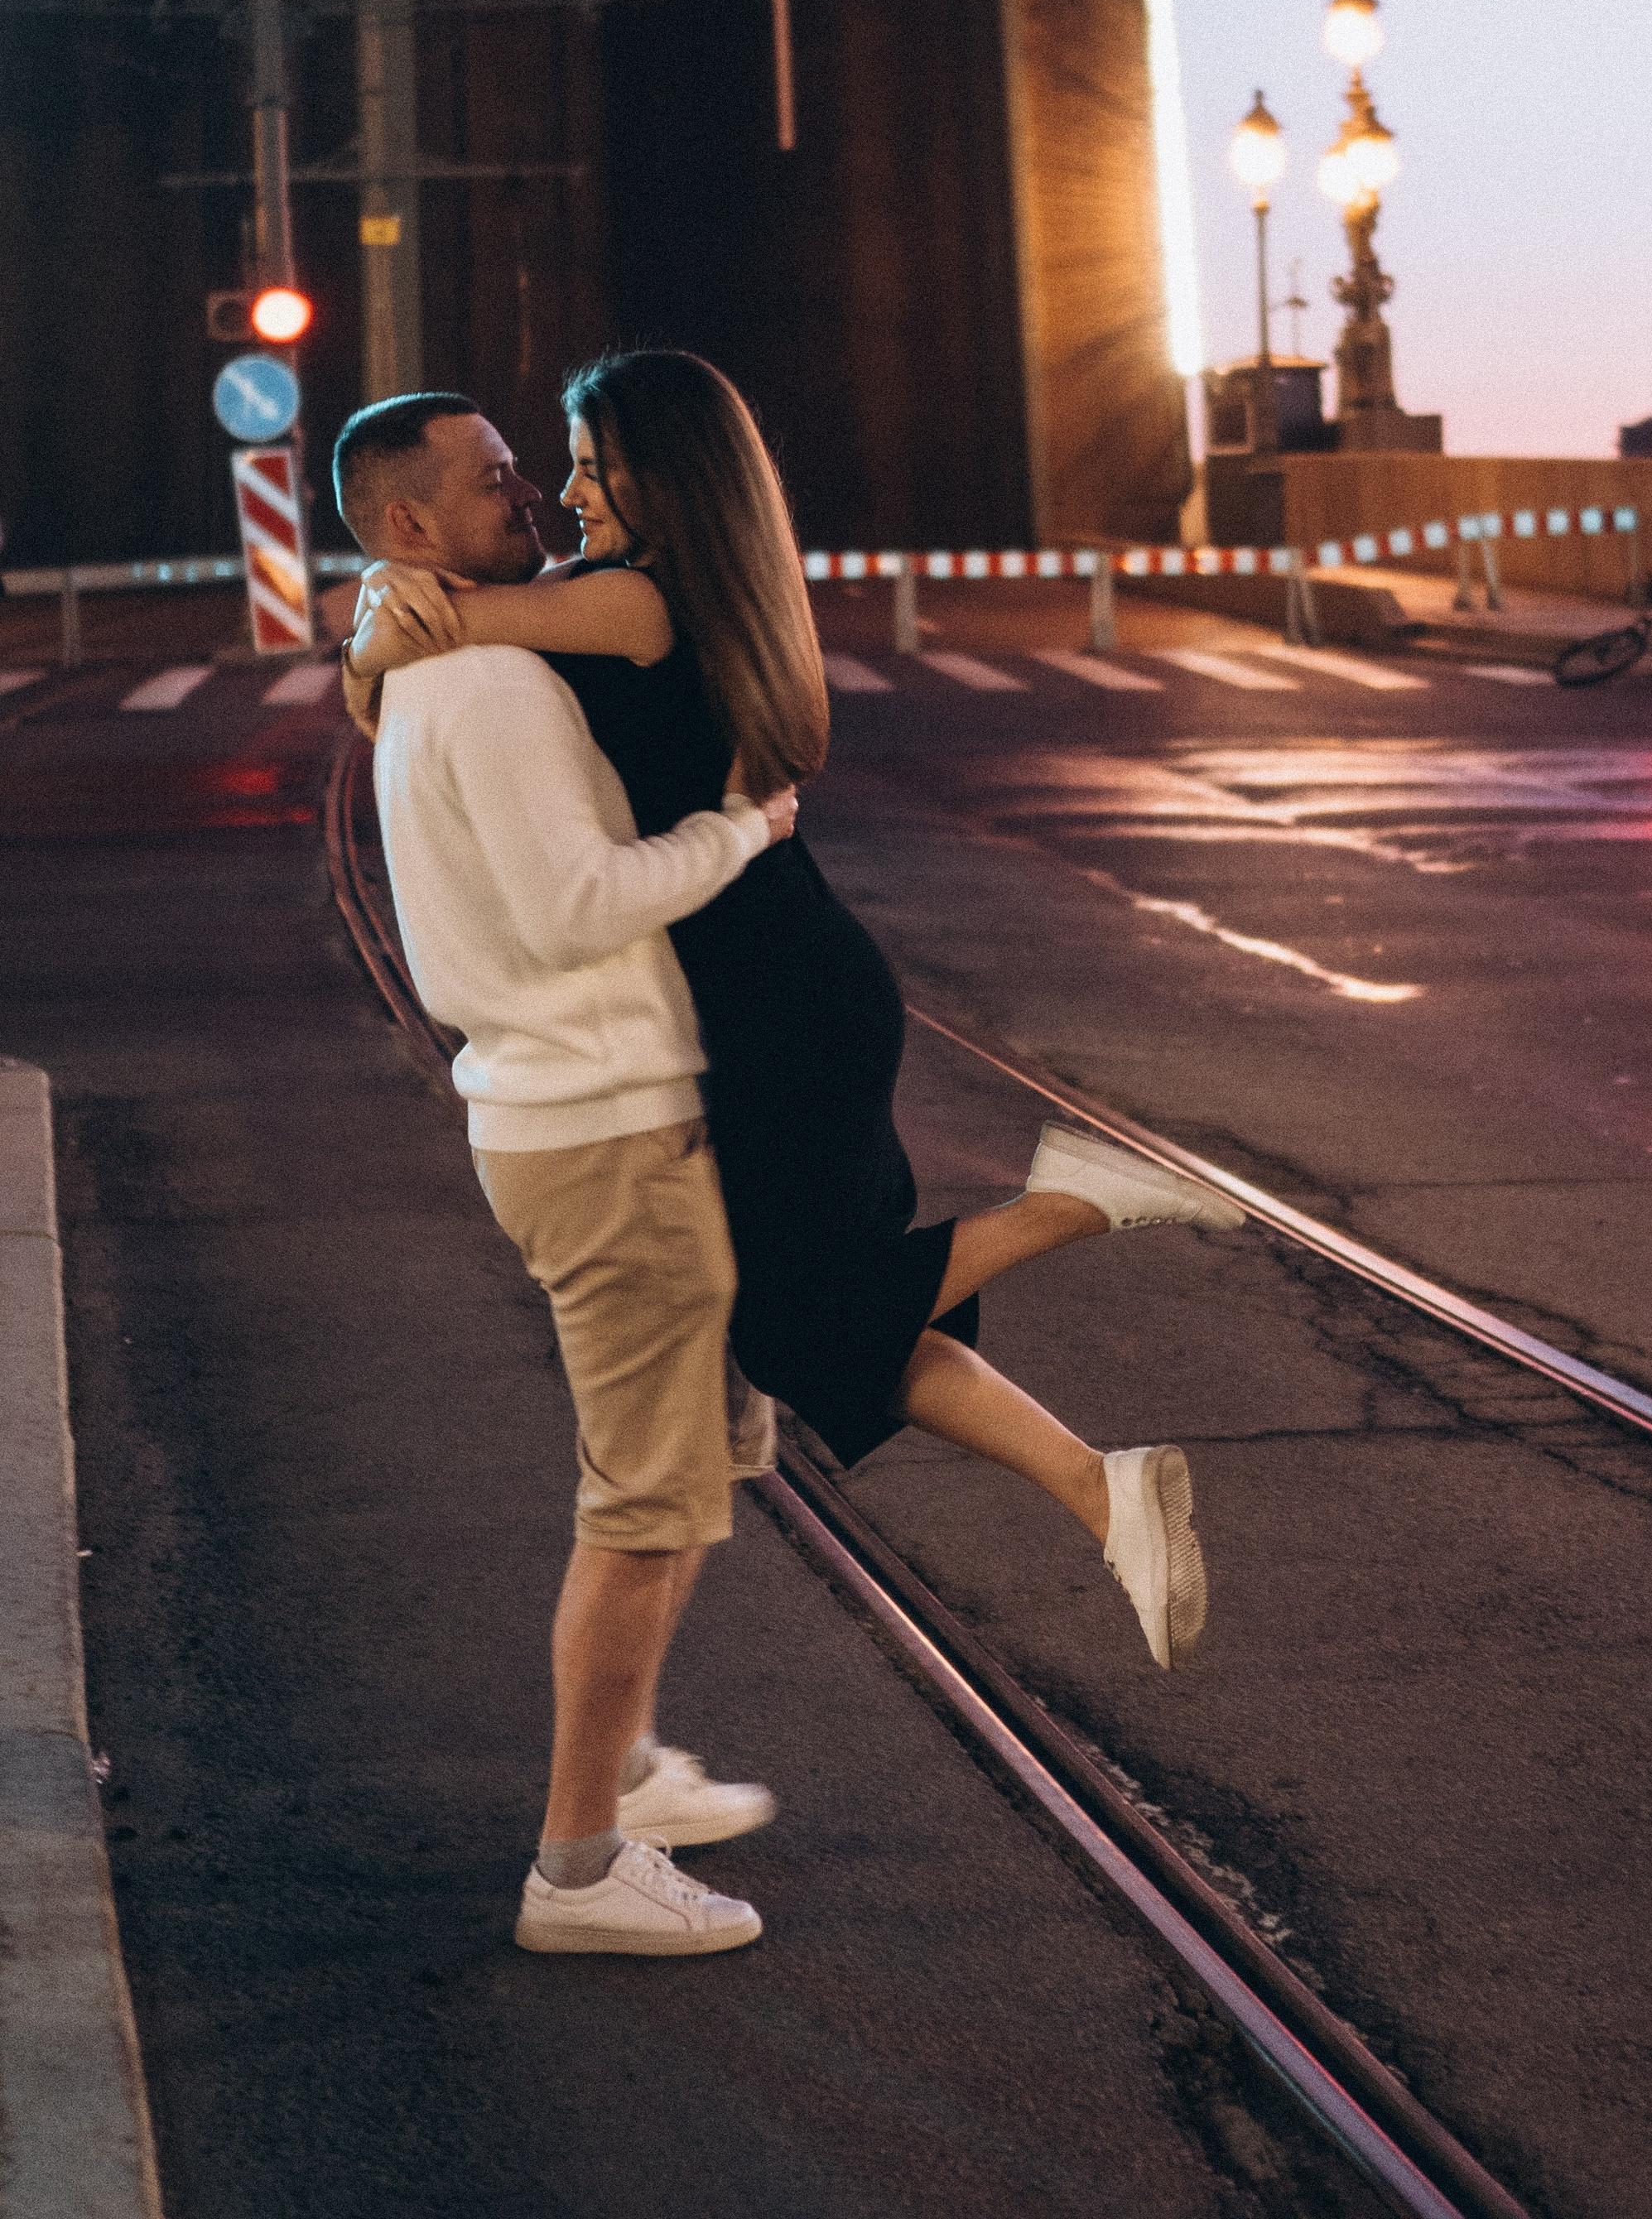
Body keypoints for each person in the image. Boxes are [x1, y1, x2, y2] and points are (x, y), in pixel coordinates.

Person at [348, 351, 1246, 1674]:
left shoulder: (632, 604)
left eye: (593, 463)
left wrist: (381, 612)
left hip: (771, 1002)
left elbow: (445, 637)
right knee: (827, 1322)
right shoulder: (679, 593)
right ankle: (1103, 1495)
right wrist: (389, 600)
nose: (567, 490)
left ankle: (1072, 1202)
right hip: (788, 981)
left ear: (664, 480)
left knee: (791, 1321)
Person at [331, 389, 794, 1959]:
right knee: (646, 1505)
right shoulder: (497, 684)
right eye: (491, 481)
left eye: (532, 470)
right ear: (408, 527)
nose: (528, 492)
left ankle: (630, 1770)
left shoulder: (437, 670)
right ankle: (581, 1868)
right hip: (602, 1131)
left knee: (678, 1473)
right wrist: (740, 835)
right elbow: (577, 902)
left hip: (583, 1115)